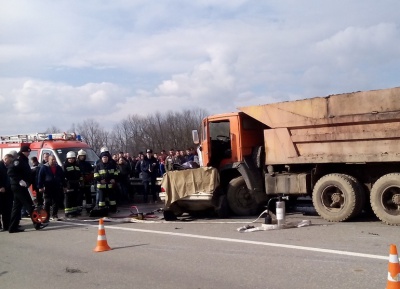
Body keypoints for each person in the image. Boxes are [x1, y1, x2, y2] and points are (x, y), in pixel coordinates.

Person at [7, 146, 47, 233]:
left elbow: (25, 172)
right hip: (19, 186)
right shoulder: (18, 160)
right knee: (30, 205)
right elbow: (10, 171)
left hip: (22, 186)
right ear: (23, 152)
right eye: (27, 152)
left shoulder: (24, 160)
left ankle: (12, 227)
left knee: (16, 208)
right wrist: (19, 180)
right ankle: (37, 224)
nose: (29, 153)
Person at [37, 155, 65, 222]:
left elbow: (62, 177)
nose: (54, 161)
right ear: (48, 160)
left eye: (54, 159)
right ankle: (46, 216)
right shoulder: (44, 167)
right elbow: (40, 178)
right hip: (47, 187)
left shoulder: (58, 168)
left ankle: (54, 215)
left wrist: (65, 186)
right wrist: (40, 187)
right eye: (52, 159)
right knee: (47, 202)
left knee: (56, 201)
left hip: (56, 187)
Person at [63, 151, 81, 218]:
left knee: (75, 198)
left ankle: (74, 211)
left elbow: (79, 174)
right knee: (68, 198)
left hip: (76, 183)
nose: (71, 159)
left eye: (72, 158)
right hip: (69, 184)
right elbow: (64, 176)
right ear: (67, 159)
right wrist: (65, 185)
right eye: (70, 158)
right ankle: (68, 212)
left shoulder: (77, 165)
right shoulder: (65, 165)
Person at [0, 154, 13, 231]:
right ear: (5, 159)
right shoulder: (0, 166)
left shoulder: (8, 166)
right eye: (10, 161)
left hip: (8, 190)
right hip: (1, 190)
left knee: (7, 209)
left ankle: (6, 225)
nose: (11, 162)